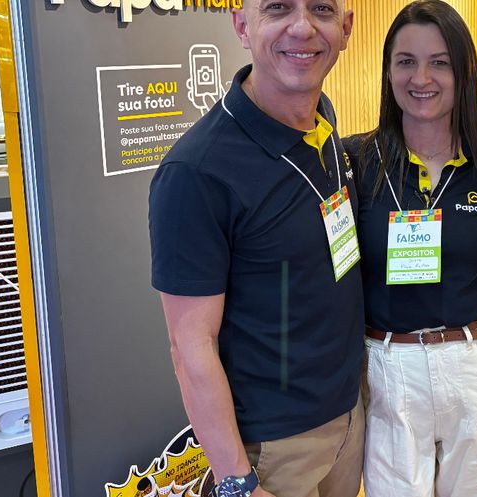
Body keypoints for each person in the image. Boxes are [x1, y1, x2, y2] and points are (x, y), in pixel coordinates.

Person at [148, 2, 364, 497]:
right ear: (242, 25)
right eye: (278, 8)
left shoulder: (323, 123)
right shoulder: (196, 172)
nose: (302, 27)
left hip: (348, 416)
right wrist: (237, 482)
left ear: (346, 27)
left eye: (322, 9)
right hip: (272, 448)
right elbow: (190, 347)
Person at [343, 2, 477, 496]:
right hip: (389, 368)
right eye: (406, 61)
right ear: (388, 71)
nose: (421, 77)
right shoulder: (357, 162)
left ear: (463, 71)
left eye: (440, 62)